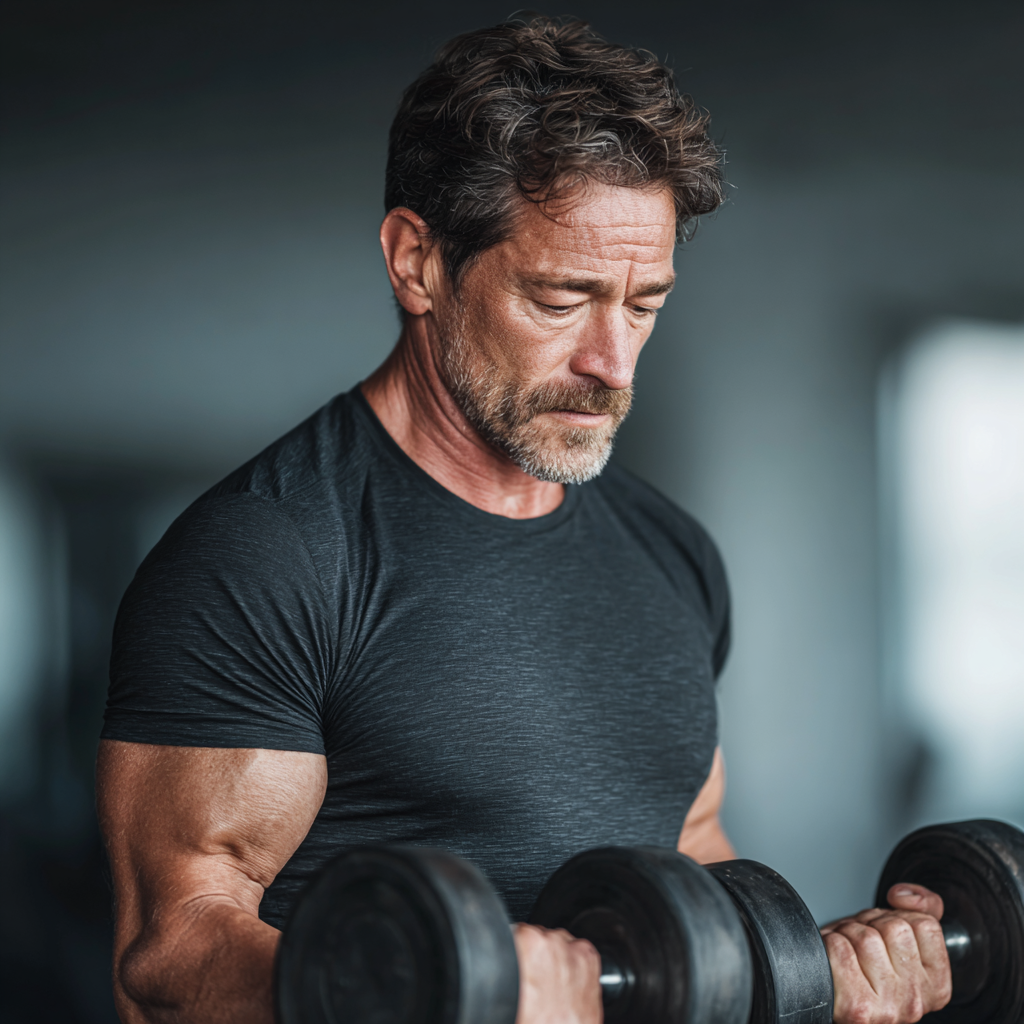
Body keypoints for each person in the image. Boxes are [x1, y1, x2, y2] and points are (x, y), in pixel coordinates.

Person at [96, 16, 952, 1024]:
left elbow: (694, 877)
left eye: (643, 305)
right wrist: (447, 991)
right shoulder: (268, 555)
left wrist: (821, 979)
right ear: (416, 260)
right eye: (561, 298)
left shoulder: (670, 553)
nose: (613, 363)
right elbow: (171, 960)